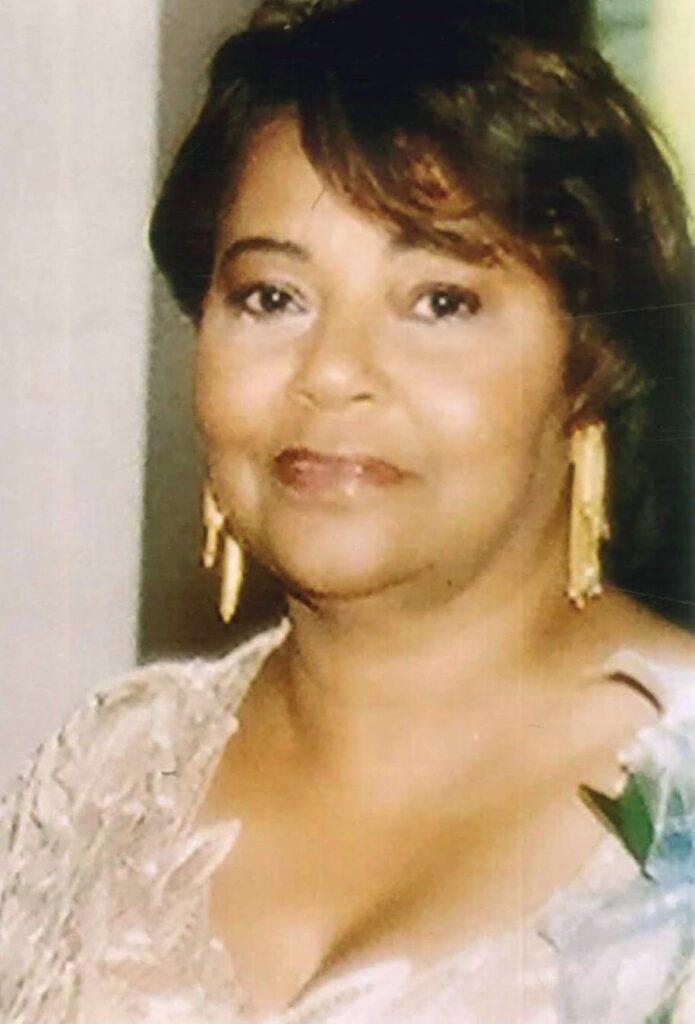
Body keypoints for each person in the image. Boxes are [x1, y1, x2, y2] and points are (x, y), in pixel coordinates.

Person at [2, 0, 694, 1021]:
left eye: (439, 301)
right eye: (271, 297)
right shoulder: (110, 775)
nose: (331, 372)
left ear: (591, 364)